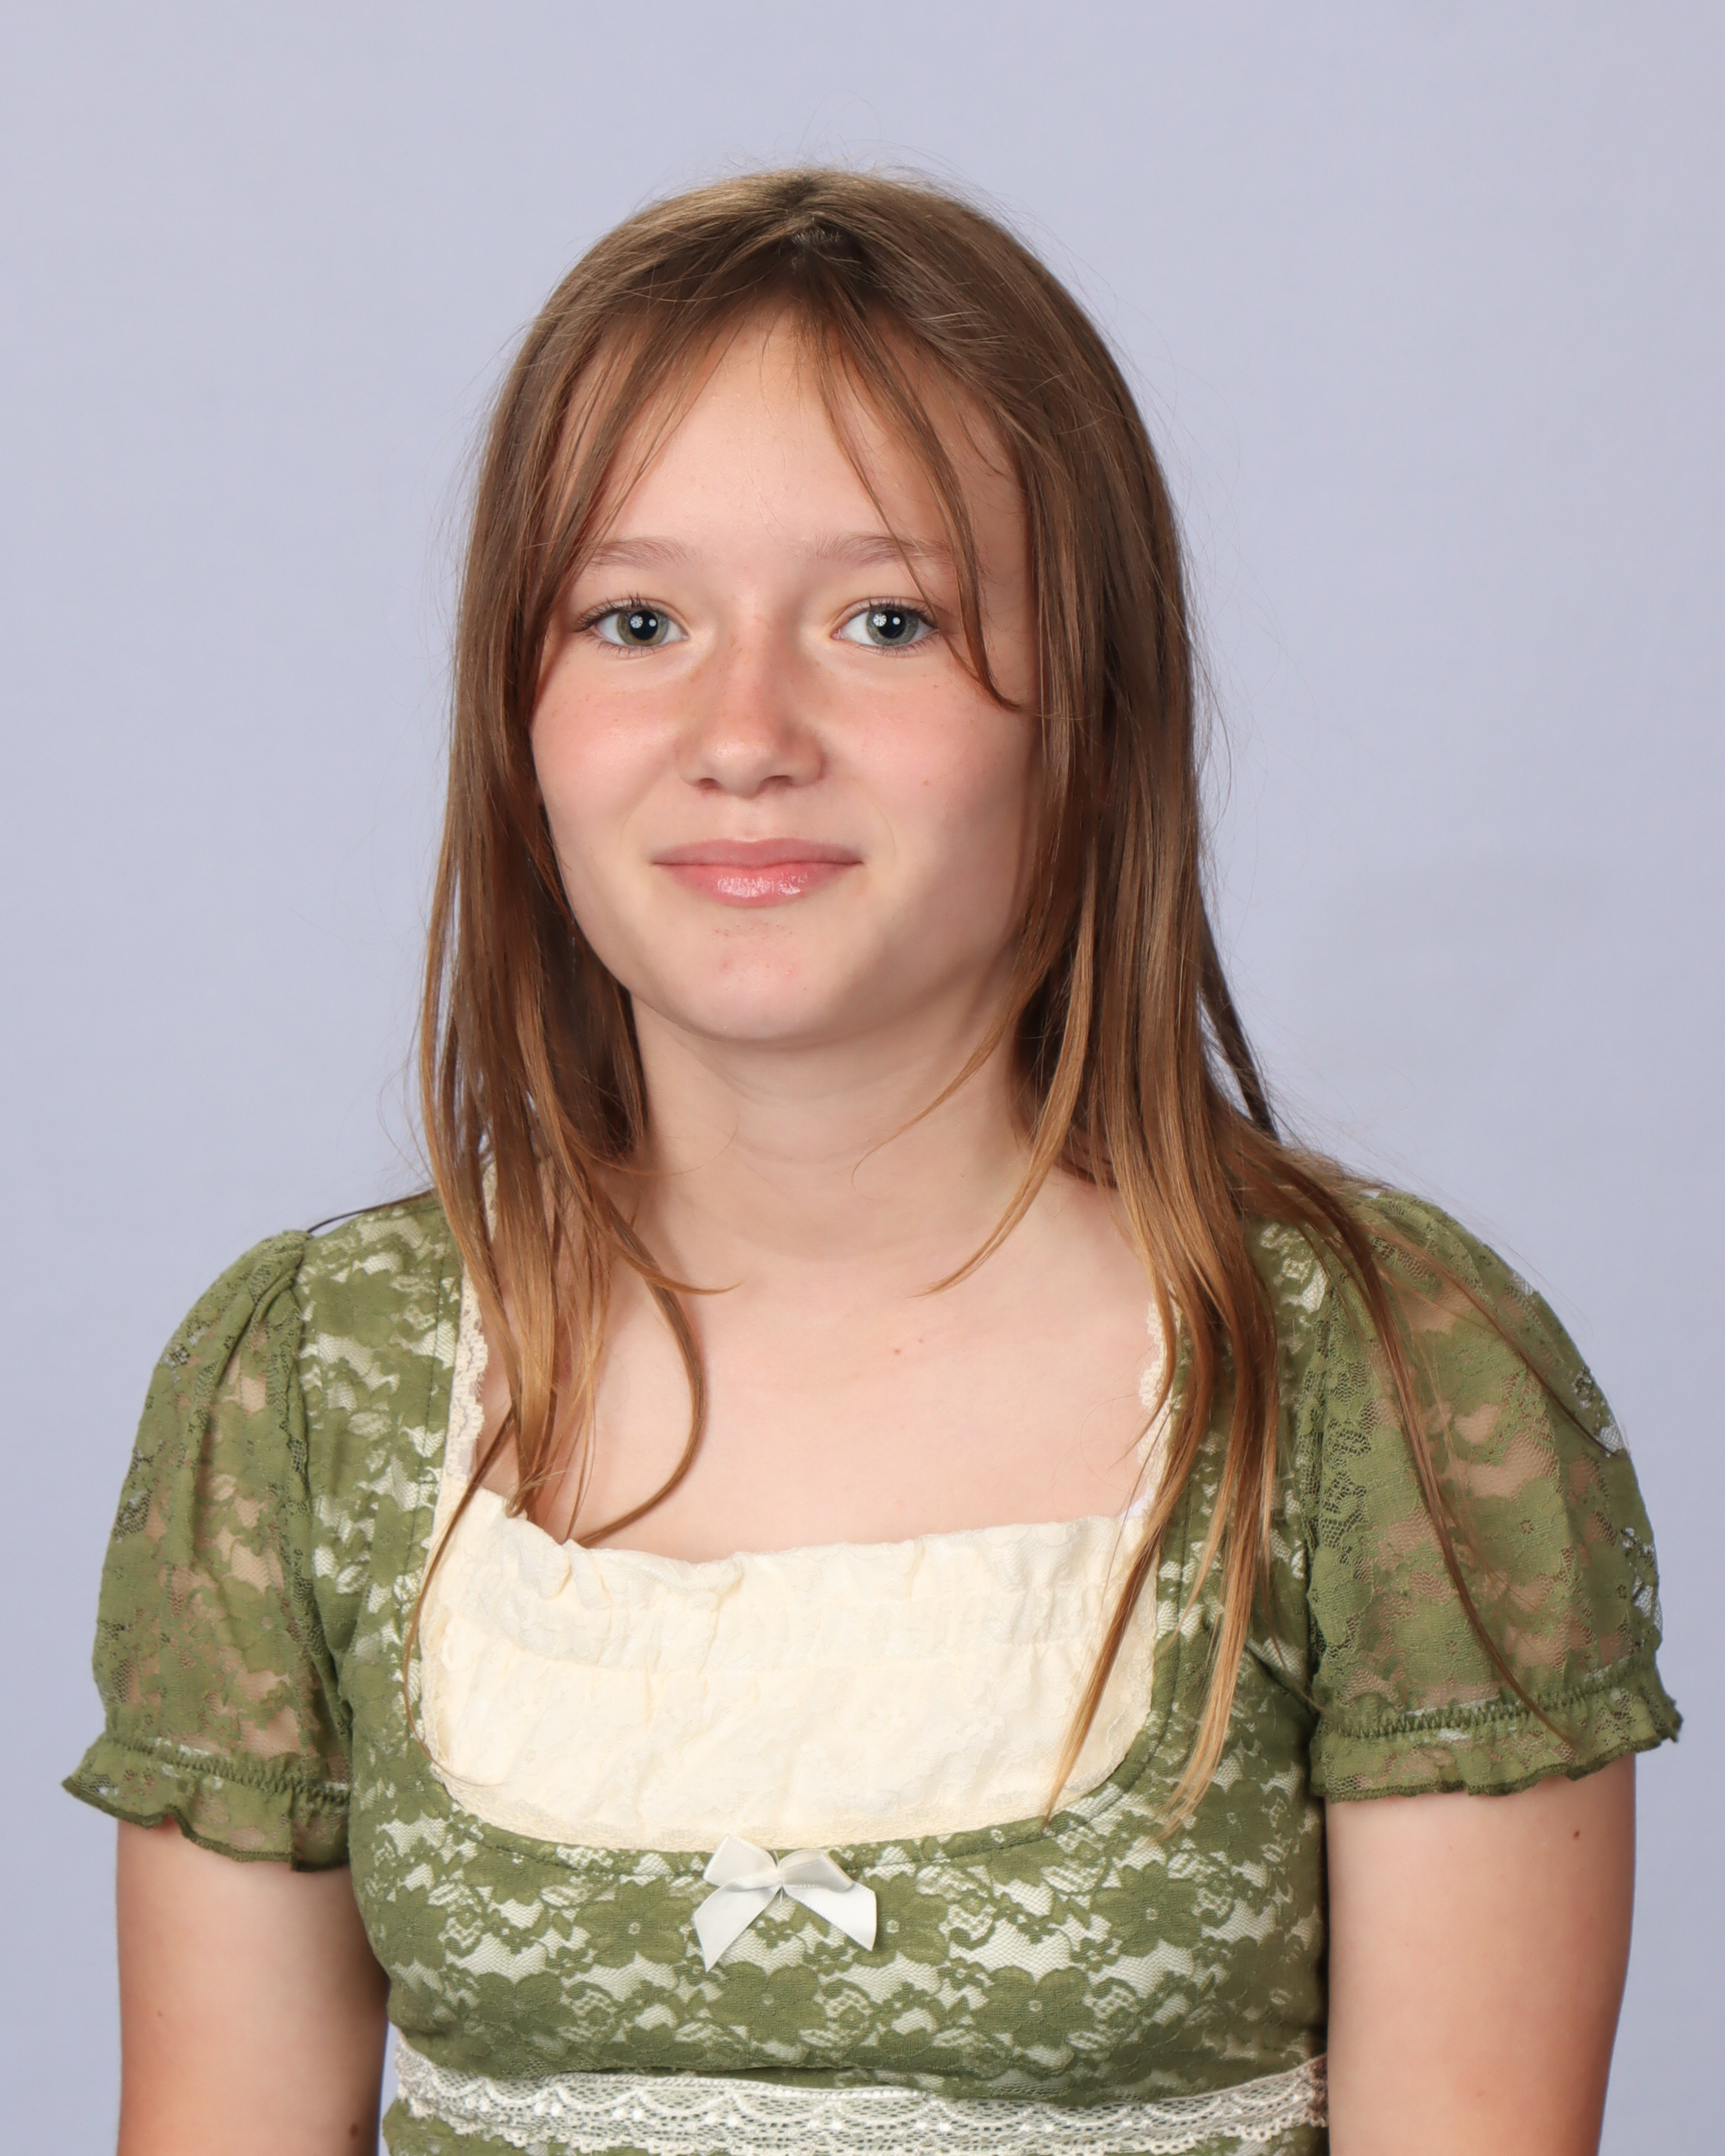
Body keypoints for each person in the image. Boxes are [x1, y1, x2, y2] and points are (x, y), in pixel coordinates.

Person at [68, 169, 1677, 2156]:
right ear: (517, 716)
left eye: (886, 620)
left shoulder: (1380, 1383)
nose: (744, 731)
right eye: (636, 620)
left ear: (1089, 714)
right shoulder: (313, 1386)